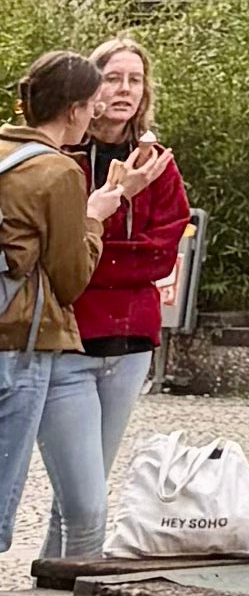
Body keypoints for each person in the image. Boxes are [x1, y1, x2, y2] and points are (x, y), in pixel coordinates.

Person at [61, 35, 189, 561]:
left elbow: (163, 251)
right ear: (91, 87)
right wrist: (105, 250)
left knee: (94, 479)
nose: (124, 90)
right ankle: (64, 589)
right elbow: (61, 248)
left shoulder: (155, 162)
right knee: (82, 490)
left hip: (132, 339)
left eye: (134, 80)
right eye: (113, 78)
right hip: (70, 336)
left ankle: (60, 585)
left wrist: (99, 251)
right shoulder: (62, 155)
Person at [0, 53, 103, 572]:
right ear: (73, 109)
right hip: (18, 345)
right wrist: (95, 218)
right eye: (91, 107)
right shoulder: (57, 171)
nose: (92, 118)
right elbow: (70, 278)